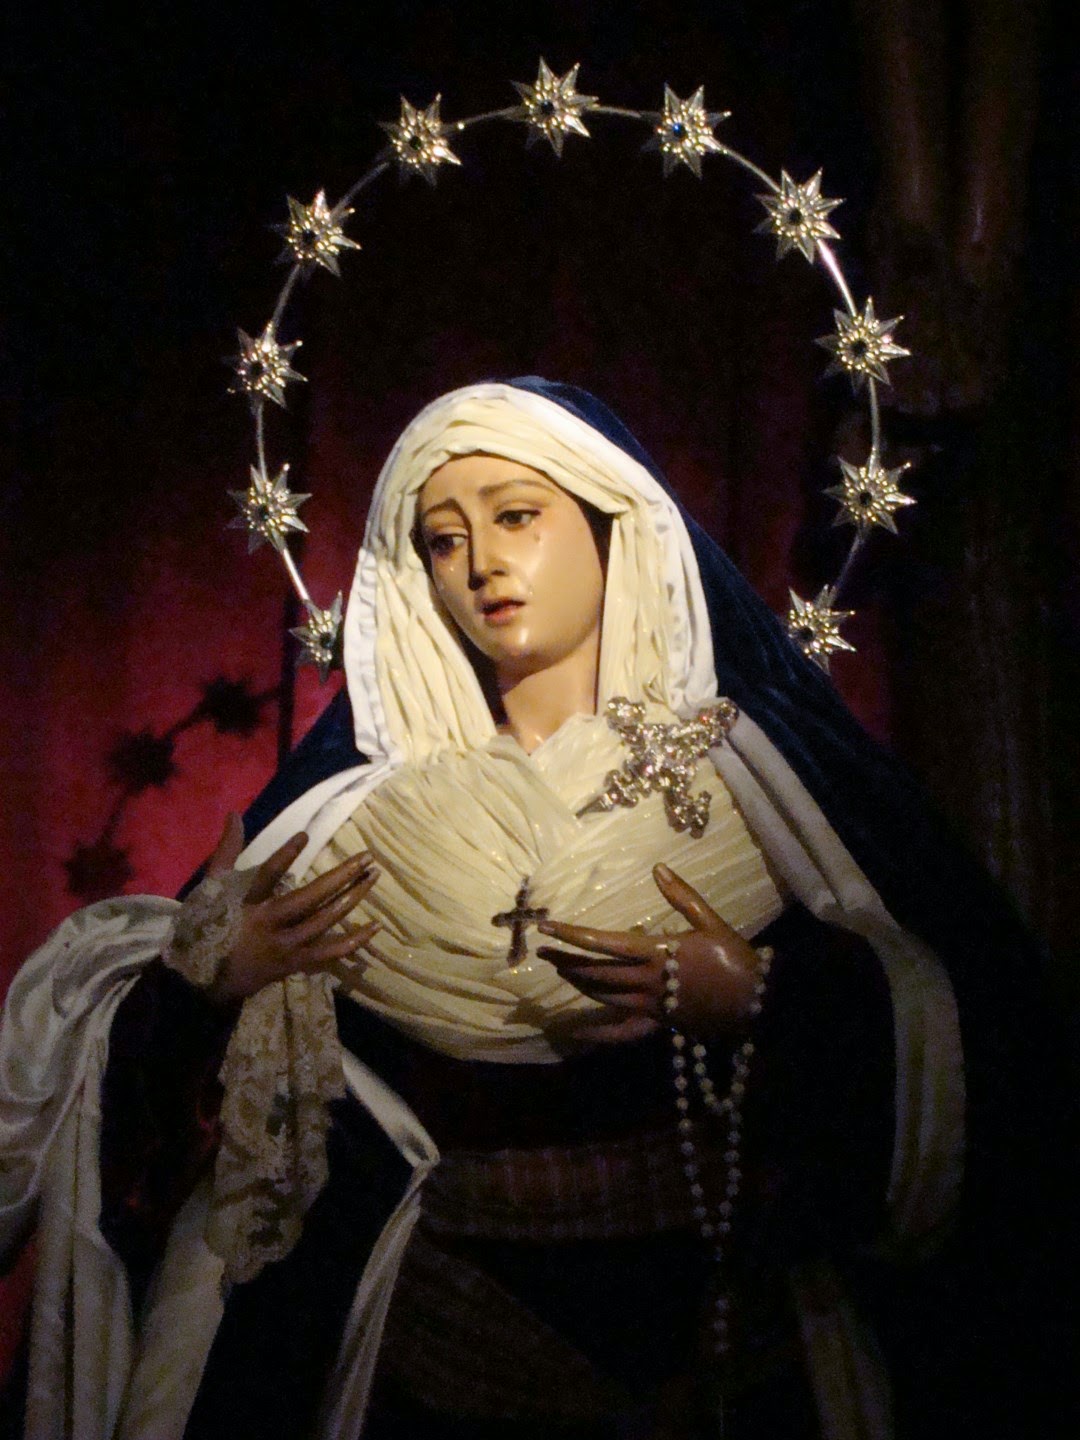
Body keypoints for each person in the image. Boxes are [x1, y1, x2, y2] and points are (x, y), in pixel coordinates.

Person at [0, 379, 1068, 1439]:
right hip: (443, 1357)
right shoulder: (353, 826)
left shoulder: (761, 789)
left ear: (613, 525)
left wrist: (767, 1001)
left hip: (732, 1353)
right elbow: (151, 1132)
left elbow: (990, 1054)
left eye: (516, 516)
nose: (480, 565)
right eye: (443, 539)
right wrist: (212, 985)